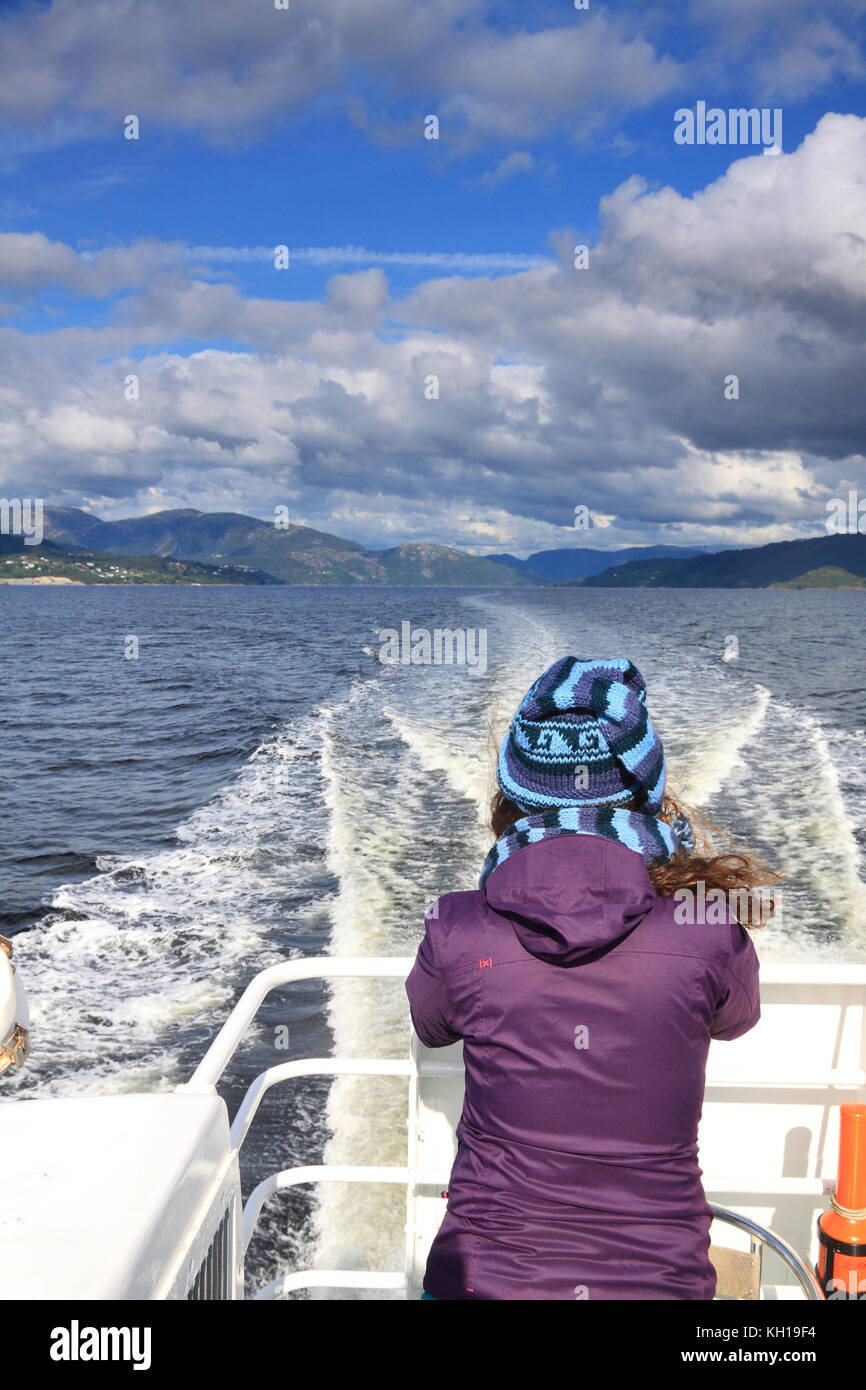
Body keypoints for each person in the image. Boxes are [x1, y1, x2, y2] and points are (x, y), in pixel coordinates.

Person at [405, 655, 777, 1300]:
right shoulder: (709, 924)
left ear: (515, 792)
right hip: (660, 1279)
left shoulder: (457, 926)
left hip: (485, 1278)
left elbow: (432, 1027)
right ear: (648, 789)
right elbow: (737, 1019)